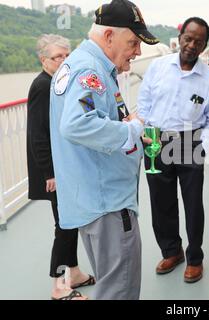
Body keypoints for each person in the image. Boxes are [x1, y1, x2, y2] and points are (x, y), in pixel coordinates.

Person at [49, 0, 158, 300]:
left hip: (93, 200)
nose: (137, 51)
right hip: (108, 204)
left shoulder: (79, 64)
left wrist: (126, 132)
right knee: (118, 292)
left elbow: (90, 119)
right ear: (109, 36)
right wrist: (130, 131)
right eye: (133, 42)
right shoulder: (90, 69)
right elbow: (77, 124)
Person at [137, 17, 209, 283]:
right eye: (188, 38)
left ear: (204, 45)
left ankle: (195, 257)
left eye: (198, 41)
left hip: (190, 141)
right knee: (161, 202)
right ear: (180, 36)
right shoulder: (158, 67)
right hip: (156, 140)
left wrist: (201, 147)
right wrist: (147, 134)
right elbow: (144, 103)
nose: (191, 45)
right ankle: (171, 251)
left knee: (193, 204)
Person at [27, 34, 94, 300]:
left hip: (67, 166)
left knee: (72, 220)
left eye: (68, 56)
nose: (64, 61)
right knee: (64, 225)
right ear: (44, 60)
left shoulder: (61, 83)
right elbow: (38, 135)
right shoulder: (43, 86)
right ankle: (58, 286)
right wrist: (49, 173)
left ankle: (74, 273)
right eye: (58, 57)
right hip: (55, 171)